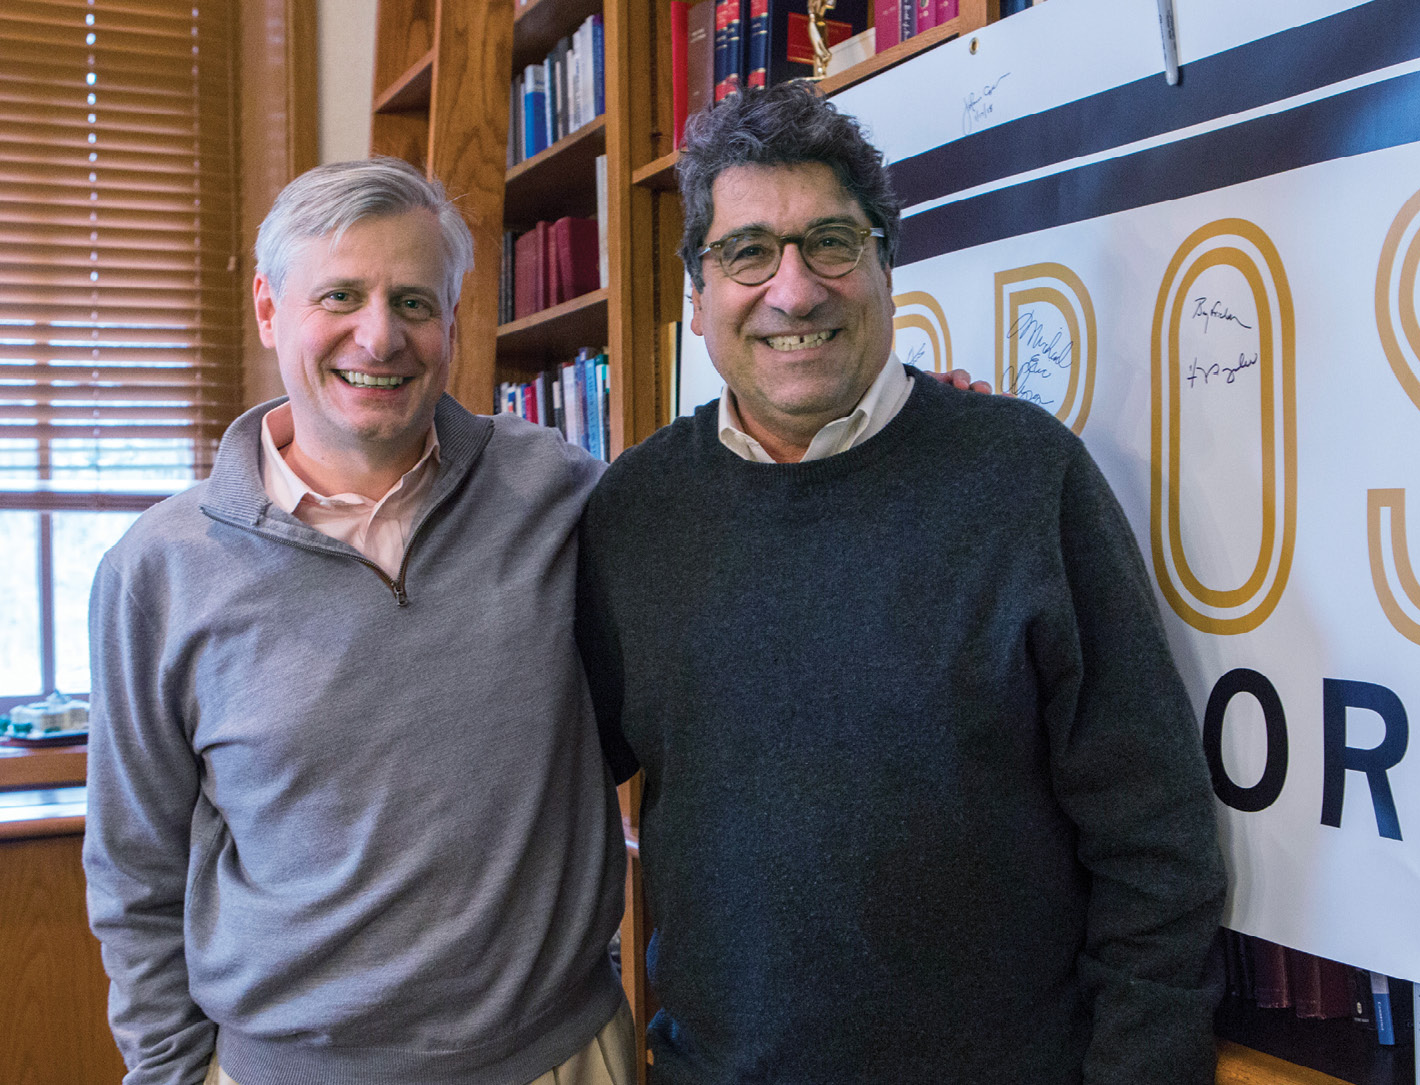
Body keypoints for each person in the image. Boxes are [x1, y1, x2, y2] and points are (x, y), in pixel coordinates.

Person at [574, 81, 1228, 1085]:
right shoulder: (633, 512)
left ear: (886, 266)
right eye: (748, 252)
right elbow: (544, 778)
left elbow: (1155, 837)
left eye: (831, 242)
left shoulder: (1025, 478)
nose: (794, 290)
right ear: (697, 296)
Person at [84, 158, 632, 1085]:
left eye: (414, 302)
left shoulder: (556, 489)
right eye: (340, 295)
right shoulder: (158, 572)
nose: (380, 337)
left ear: (451, 320)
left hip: (561, 1056)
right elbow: (136, 871)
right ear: (269, 309)